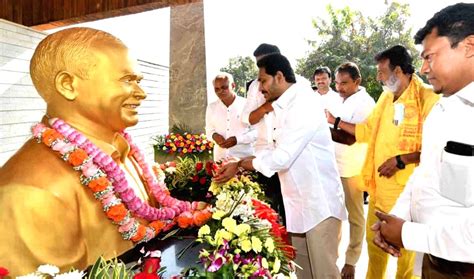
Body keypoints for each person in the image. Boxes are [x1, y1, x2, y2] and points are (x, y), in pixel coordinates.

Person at [0, 27, 200, 276]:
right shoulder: (30, 190)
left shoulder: (127, 152)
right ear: (68, 85)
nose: (142, 93)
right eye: (127, 80)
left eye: (138, 81)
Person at [215, 53, 346, 279]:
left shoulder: (303, 102)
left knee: (324, 274)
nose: (260, 87)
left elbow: (282, 156)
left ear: (279, 76)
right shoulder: (278, 107)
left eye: (263, 81)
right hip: (297, 206)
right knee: (305, 273)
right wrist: (242, 163)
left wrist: (241, 164)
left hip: (319, 206)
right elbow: (267, 147)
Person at [371, 3, 474, 277]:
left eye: (430, 57)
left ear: (469, 46)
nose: (423, 68)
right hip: (434, 261)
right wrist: (396, 218)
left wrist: (407, 234)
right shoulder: (442, 110)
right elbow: (425, 177)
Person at [327, 45, 440, 278]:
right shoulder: (387, 97)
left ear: (397, 70)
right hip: (379, 190)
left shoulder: (427, 97)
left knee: (405, 256)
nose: (377, 76)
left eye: (381, 71)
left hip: (408, 194)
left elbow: (439, 146)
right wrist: (335, 122)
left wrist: (402, 159)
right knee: (374, 247)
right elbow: (367, 130)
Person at [329, 62, 375, 279]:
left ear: (358, 81)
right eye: (337, 83)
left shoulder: (366, 103)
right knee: (333, 214)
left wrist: (324, 128)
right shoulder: (336, 99)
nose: (339, 87)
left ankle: (352, 261)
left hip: (353, 168)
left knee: (356, 217)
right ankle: (331, 258)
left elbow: (350, 138)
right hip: (332, 166)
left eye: (344, 83)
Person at [241, 43, 286, 222]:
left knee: (290, 211)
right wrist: (267, 107)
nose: (261, 68)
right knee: (268, 210)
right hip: (263, 155)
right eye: (258, 64)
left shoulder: (297, 84)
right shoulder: (255, 86)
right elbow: (247, 118)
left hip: (290, 156)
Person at [205, 72, 256, 161]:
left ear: (233, 85)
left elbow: (257, 132)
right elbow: (209, 131)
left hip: (244, 159)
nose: (220, 91)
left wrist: (238, 140)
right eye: (217, 89)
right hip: (220, 160)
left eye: (224, 87)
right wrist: (214, 136)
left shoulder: (248, 105)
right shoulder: (211, 107)